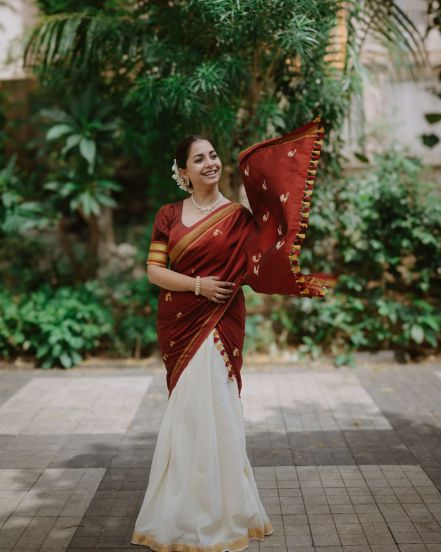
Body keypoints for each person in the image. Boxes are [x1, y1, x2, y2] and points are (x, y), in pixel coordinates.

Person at [131, 117, 333, 551]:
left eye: (213, 155)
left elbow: (263, 259)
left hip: (221, 326)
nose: (210, 162)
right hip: (181, 324)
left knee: (219, 412)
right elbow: (154, 272)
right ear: (182, 172)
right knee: (186, 416)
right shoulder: (168, 215)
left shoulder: (239, 218)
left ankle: (227, 513)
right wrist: (198, 285)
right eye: (198, 158)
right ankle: (180, 514)